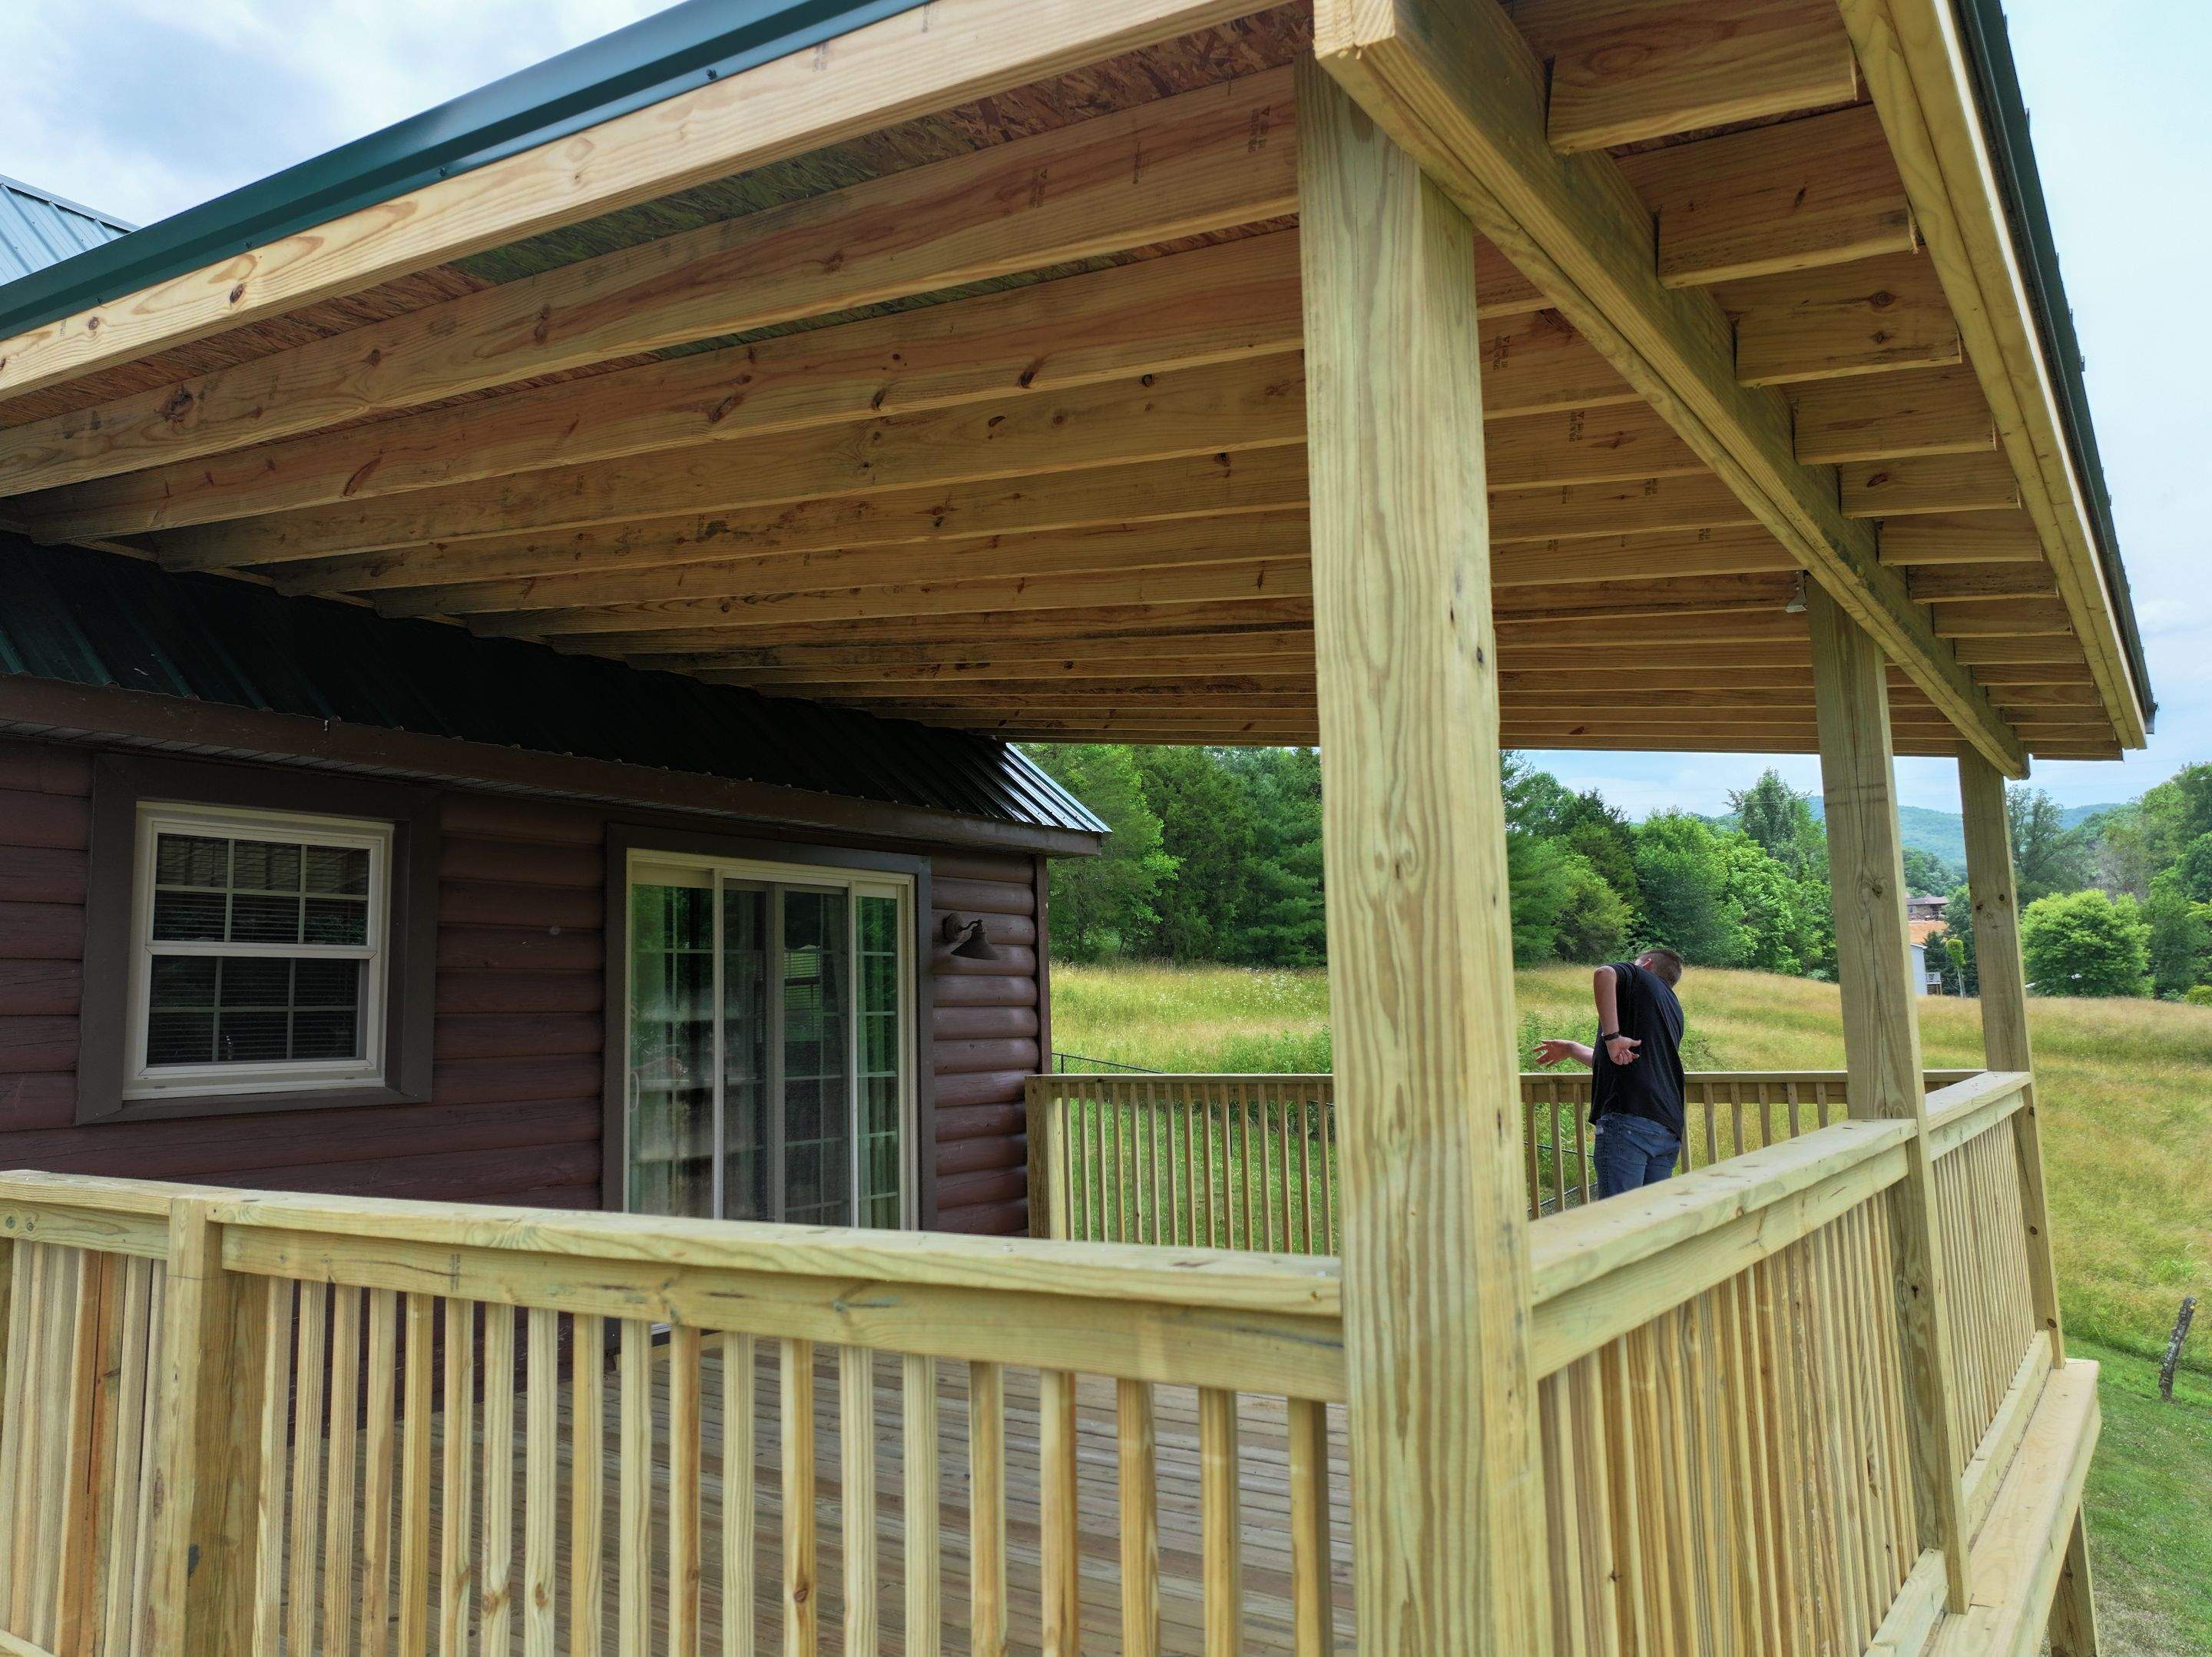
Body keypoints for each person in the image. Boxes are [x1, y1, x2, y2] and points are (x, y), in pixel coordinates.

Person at [1535, 948, 1687, 1200]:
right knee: (1649, 1219)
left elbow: (1604, 973)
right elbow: (1623, 1060)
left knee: (1618, 1219)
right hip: (1666, 1128)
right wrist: (1573, 1049)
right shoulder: (1672, 1008)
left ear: (1646, 965)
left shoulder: (1639, 976)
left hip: (1629, 1121)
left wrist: (1612, 1037)